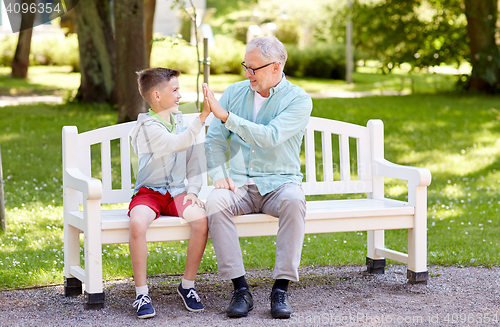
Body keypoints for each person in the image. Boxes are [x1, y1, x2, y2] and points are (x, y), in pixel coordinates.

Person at [203, 36, 313, 319]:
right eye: (245, 66)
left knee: (294, 200)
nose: (247, 74)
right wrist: (218, 174)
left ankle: (281, 289)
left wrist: (227, 117)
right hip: (239, 184)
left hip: (279, 183)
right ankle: (240, 289)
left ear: (276, 67)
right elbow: (214, 138)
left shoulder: (298, 100)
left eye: (254, 68)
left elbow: (270, 137)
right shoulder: (234, 92)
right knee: (215, 202)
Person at [128, 67, 211, 319]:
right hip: (149, 193)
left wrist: (194, 190)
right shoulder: (146, 127)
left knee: (201, 221)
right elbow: (175, 143)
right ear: (156, 95)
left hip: (177, 192)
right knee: (137, 223)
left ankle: (187, 285)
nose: (180, 96)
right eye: (174, 90)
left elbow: (195, 161)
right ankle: (141, 293)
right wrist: (202, 117)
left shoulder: (182, 122)